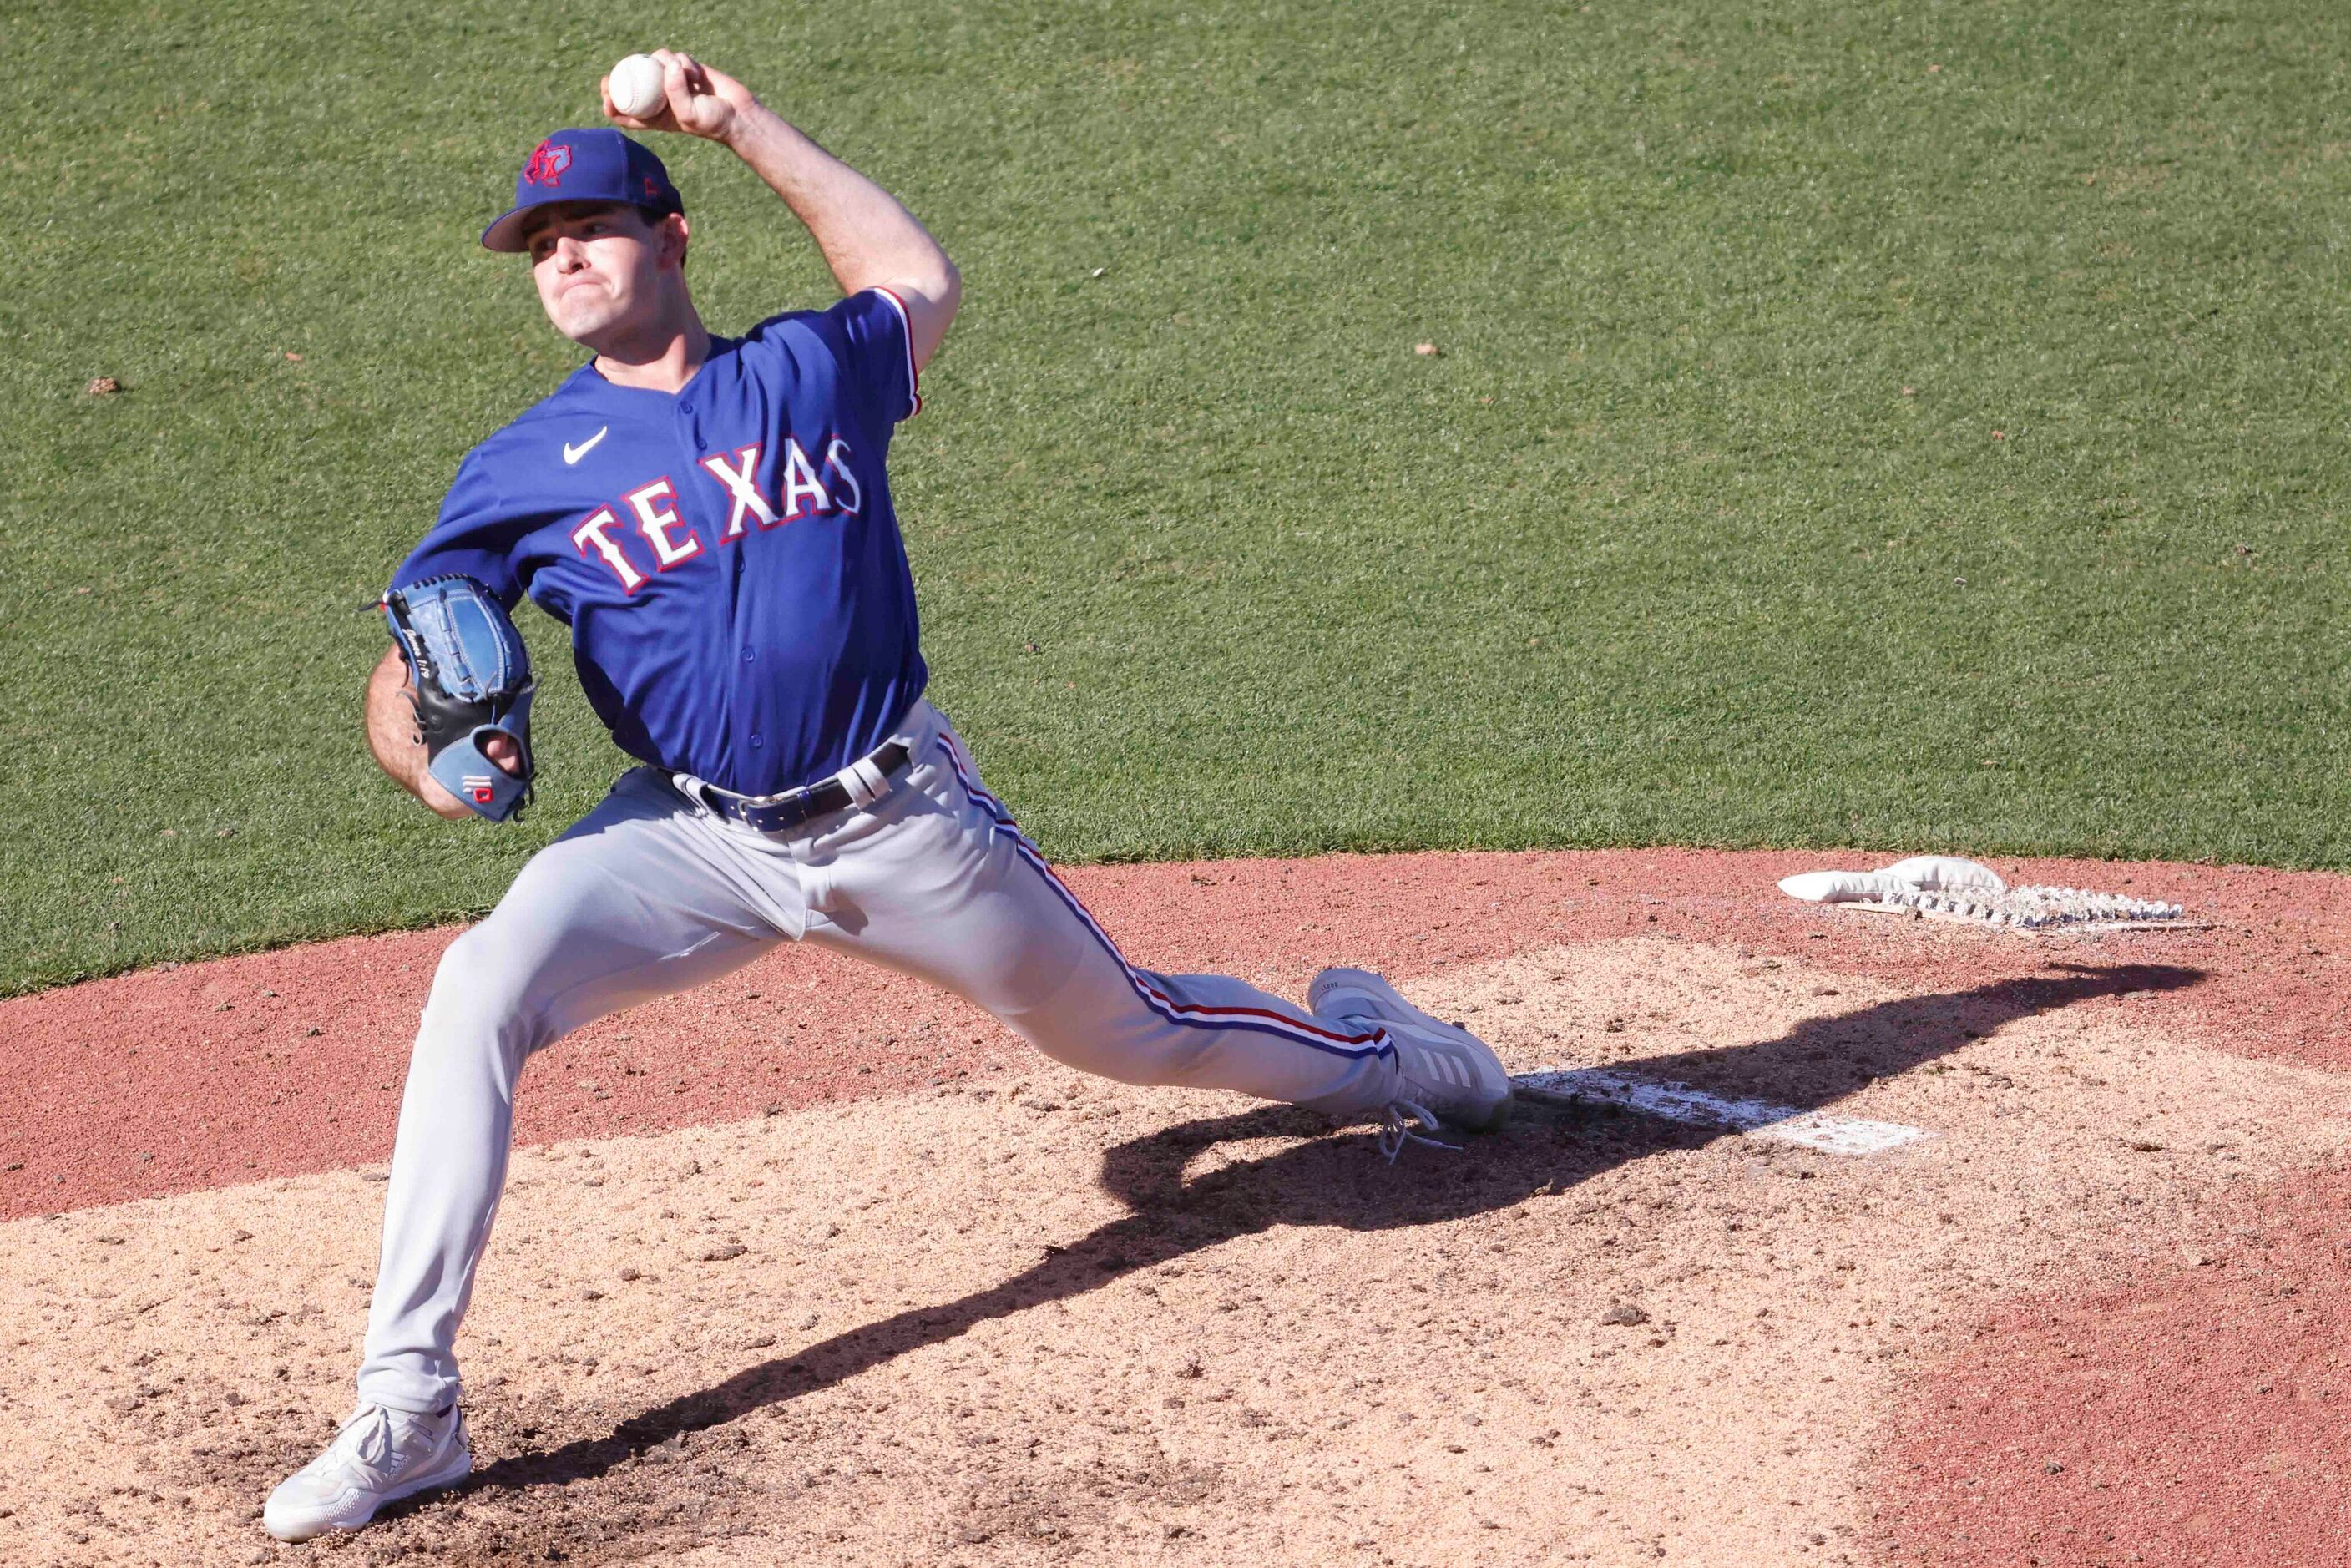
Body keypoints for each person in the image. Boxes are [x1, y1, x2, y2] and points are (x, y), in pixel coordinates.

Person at [263, 51, 1514, 1544]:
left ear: (670, 237)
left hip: (900, 821)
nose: (565, 260)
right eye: (539, 246)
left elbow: (914, 272)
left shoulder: (803, 368)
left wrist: (735, 124)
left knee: (1142, 1033)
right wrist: (426, 764)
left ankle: (1388, 1051)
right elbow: (411, 657)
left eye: (592, 226)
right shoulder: (525, 466)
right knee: (480, 986)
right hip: (692, 837)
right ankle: (409, 1405)